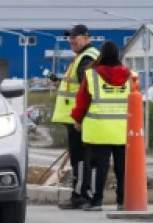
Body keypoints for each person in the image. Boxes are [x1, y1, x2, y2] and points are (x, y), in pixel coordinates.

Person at [71, 41, 131, 211]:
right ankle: (122, 200)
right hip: (123, 129)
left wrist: (77, 119)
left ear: (101, 55)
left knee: (98, 166)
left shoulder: (91, 75)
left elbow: (82, 100)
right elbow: (135, 102)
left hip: (99, 129)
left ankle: (96, 201)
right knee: (123, 168)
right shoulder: (130, 76)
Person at [51, 25, 99, 208]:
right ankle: (82, 193)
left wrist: (80, 118)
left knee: (80, 158)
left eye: (75, 37)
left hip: (79, 118)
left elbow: (85, 89)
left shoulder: (87, 58)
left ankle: (79, 195)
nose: (71, 40)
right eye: (70, 38)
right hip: (78, 117)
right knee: (81, 157)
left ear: (86, 38)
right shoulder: (83, 57)